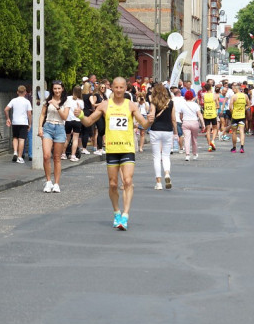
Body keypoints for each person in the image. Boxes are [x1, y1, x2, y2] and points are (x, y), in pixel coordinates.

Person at [80, 77, 149, 230]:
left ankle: (125, 215)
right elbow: (89, 121)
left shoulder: (130, 105)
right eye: (116, 87)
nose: (118, 90)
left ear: (125, 88)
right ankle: (116, 212)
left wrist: (149, 120)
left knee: (128, 181)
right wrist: (79, 115)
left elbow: (143, 124)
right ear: (112, 88)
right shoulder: (105, 105)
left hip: (127, 149)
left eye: (121, 87)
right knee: (113, 184)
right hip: (112, 149)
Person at [38, 81, 69, 193]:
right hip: (48, 127)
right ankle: (48, 182)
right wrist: (40, 128)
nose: (57, 91)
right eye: (55, 88)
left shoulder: (66, 101)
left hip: (60, 128)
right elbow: (42, 114)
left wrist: (56, 106)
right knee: (46, 156)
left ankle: (56, 183)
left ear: (62, 89)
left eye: (59, 88)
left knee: (57, 157)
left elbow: (64, 116)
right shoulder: (47, 101)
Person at [145, 83, 176, 192]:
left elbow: (151, 116)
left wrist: (146, 124)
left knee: (156, 157)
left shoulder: (153, 102)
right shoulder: (171, 102)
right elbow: (173, 119)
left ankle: (158, 183)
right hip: (168, 130)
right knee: (166, 156)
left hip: (156, 130)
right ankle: (167, 173)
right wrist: (176, 131)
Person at [4, 85, 32, 164]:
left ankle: (15, 152)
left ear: (17, 92)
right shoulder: (27, 102)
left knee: (15, 138)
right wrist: (30, 123)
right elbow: (29, 114)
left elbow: (6, 109)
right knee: (22, 139)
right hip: (23, 122)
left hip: (15, 122)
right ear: (25, 93)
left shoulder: (13, 100)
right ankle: (19, 157)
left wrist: (8, 119)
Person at [179, 90, 204, 161]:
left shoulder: (182, 105)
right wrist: (203, 123)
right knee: (194, 139)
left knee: (187, 139)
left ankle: (187, 155)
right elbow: (199, 114)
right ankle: (195, 154)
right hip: (194, 122)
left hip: (186, 122)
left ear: (185, 97)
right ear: (192, 97)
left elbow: (181, 115)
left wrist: (182, 120)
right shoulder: (195, 105)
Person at [64, 85, 85, 161]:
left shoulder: (68, 98)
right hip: (77, 120)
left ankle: (63, 154)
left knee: (67, 138)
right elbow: (81, 110)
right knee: (75, 138)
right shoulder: (81, 101)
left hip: (68, 120)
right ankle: (73, 155)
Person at [229, 82, 248, 153]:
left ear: (236, 89)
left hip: (235, 116)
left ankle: (234, 148)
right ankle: (242, 147)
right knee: (241, 132)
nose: (233, 91)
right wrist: (243, 109)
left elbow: (230, 107)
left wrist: (232, 112)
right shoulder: (245, 96)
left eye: (233, 89)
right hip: (242, 116)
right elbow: (248, 105)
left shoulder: (234, 96)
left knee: (234, 132)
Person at [200, 82, 218, 151]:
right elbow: (217, 105)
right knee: (215, 128)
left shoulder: (203, 95)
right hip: (213, 114)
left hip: (206, 114)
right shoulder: (214, 95)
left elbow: (202, 103)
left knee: (208, 131)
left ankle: (209, 146)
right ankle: (213, 141)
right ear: (211, 88)